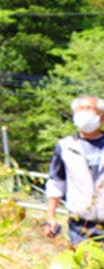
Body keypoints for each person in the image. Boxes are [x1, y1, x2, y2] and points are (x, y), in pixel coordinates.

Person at [44, 96, 104, 245]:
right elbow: (56, 183)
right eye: (80, 109)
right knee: (83, 267)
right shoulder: (66, 146)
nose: (85, 113)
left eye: (89, 108)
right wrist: (51, 217)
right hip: (80, 226)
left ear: (101, 117)